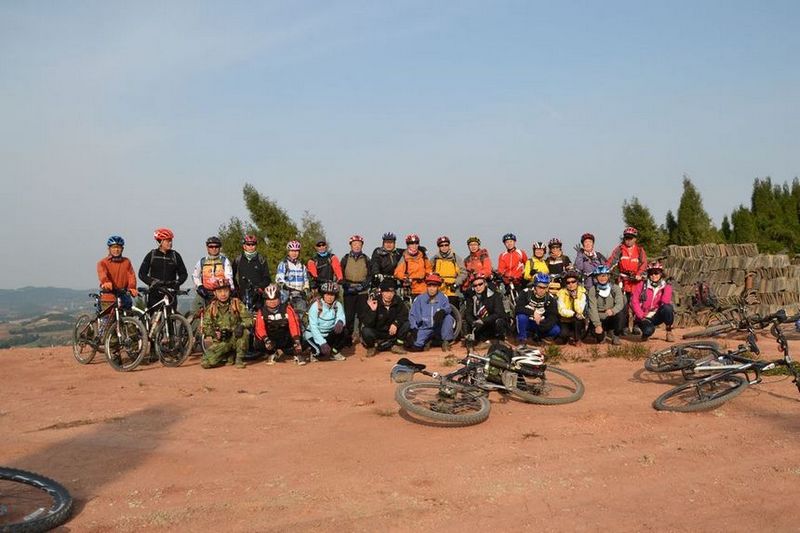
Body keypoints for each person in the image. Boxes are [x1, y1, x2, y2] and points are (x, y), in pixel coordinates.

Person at [200, 279, 253, 369]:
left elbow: (250, 319)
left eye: (225, 291)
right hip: (222, 341)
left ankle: (239, 358)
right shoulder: (212, 307)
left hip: (235, 337)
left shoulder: (236, 303)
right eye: (219, 291)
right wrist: (214, 333)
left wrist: (241, 326)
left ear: (229, 291)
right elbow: (204, 327)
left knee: (245, 332)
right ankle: (228, 355)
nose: (223, 294)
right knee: (205, 363)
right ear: (215, 293)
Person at [607, 226, 647, 333]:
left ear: (635, 239)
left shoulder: (640, 250)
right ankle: (624, 326)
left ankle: (637, 325)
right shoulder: (619, 249)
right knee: (623, 304)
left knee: (637, 303)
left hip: (636, 281)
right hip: (623, 280)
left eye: (631, 238)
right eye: (626, 238)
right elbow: (611, 261)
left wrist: (639, 274)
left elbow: (644, 264)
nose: (628, 240)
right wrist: (604, 270)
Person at [253, 284, 305, 365]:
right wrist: (266, 340)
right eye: (269, 300)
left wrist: (296, 340)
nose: (272, 302)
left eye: (275, 299)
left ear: (279, 299)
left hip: (286, 338)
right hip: (271, 339)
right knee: (258, 342)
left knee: (302, 339)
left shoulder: (287, 308)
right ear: (265, 300)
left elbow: (294, 324)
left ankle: (296, 354)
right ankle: (272, 353)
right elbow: (259, 328)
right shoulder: (262, 311)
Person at [138, 228, 188, 311]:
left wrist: (177, 282)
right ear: (160, 242)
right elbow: (141, 274)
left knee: (171, 317)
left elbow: (183, 274)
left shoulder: (175, 256)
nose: (170, 243)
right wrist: (152, 282)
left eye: (171, 240)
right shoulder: (152, 255)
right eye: (167, 241)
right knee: (155, 317)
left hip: (170, 292)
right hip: (155, 293)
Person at [360, 278, 410, 357]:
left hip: (392, 331)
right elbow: (367, 323)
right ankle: (371, 347)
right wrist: (373, 311)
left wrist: (396, 323)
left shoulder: (398, 300)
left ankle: (398, 345)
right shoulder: (374, 301)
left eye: (391, 292)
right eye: (386, 292)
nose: (389, 295)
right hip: (378, 331)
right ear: (382, 292)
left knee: (407, 324)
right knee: (366, 331)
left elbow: (404, 315)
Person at [407, 273, 455, 352]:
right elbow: (412, 315)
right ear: (427, 286)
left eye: (434, 286)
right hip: (425, 327)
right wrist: (414, 328)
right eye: (429, 286)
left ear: (438, 287)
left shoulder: (443, 297)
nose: (431, 289)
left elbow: (448, 308)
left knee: (448, 317)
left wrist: (442, 311)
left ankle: (446, 341)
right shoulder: (419, 299)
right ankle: (429, 341)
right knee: (416, 346)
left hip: (439, 327)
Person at [304, 281, 348, 361]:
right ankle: (312, 352)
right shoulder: (316, 306)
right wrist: (322, 343)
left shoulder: (337, 305)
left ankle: (334, 352)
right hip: (313, 335)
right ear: (323, 295)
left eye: (332, 295)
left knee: (344, 332)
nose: (329, 297)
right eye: (327, 294)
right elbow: (313, 327)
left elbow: (341, 316)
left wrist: (340, 322)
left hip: (328, 334)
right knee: (320, 353)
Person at [631, 261, 674, 342]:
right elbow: (634, 301)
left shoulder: (665, 286)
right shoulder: (641, 285)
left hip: (656, 315)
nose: (654, 275)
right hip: (644, 316)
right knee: (648, 330)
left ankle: (669, 331)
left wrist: (667, 287)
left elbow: (665, 301)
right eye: (651, 273)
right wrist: (641, 315)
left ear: (661, 274)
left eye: (656, 273)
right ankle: (645, 332)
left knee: (668, 308)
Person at [191, 236, 234, 313]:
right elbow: (195, 276)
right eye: (211, 246)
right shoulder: (202, 261)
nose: (214, 248)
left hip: (220, 292)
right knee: (195, 310)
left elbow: (229, 276)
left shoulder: (224, 261)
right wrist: (200, 286)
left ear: (220, 248)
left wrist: (231, 288)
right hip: (205, 291)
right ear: (207, 248)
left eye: (216, 246)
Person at [340, 235, 371, 343]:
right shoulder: (345, 258)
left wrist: (364, 285)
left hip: (362, 290)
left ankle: (362, 336)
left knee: (362, 315)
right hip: (349, 290)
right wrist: (346, 285)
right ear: (351, 245)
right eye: (354, 244)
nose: (357, 246)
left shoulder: (366, 259)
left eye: (359, 244)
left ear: (362, 245)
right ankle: (348, 338)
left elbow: (370, 275)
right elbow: (340, 274)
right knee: (349, 316)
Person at [515, 273, 560, 345]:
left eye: (545, 287)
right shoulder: (526, 293)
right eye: (540, 287)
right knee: (521, 317)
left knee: (556, 330)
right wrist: (533, 313)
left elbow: (553, 315)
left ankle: (538, 336)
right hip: (527, 321)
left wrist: (545, 325)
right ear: (535, 285)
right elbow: (518, 308)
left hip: (540, 323)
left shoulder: (550, 298)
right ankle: (522, 340)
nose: (542, 290)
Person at [586, 265, 626, 345]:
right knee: (598, 337)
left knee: (621, 315)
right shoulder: (593, 290)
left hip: (612, 315)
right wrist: (597, 325)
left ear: (608, 276)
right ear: (596, 277)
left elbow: (619, 303)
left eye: (604, 275)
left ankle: (615, 335)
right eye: (599, 276)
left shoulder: (615, 288)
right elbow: (592, 309)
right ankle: (603, 333)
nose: (602, 278)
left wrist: (613, 311)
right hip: (599, 317)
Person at [463, 273, 508, 344]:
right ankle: (471, 341)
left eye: (480, 284)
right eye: (475, 285)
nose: (478, 287)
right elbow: (468, 313)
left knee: (499, 321)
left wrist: (483, 321)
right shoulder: (471, 297)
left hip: (491, 323)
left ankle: (499, 340)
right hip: (478, 324)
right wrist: (473, 322)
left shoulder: (495, 295)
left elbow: (499, 313)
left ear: (485, 284)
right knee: (465, 322)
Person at [233, 234, 272, 311]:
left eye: (253, 244)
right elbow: (231, 276)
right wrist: (236, 288)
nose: (251, 246)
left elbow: (267, 278)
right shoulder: (238, 259)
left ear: (256, 245)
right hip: (242, 294)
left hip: (258, 295)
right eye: (248, 244)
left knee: (258, 315)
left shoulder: (261, 259)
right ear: (244, 246)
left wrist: (260, 287)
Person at [97, 235, 138, 309]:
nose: (116, 250)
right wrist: (105, 282)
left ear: (122, 249)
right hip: (109, 293)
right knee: (108, 313)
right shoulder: (103, 262)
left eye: (118, 247)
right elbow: (102, 274)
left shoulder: (126, 262)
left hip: (123, 293)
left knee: (128, 311)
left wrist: (132, 287)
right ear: (109, 249)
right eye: (113, 247)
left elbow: (131, 276)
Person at [275, 240, 310, 316]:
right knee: (286, 316)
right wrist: (284, 285)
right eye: (292, 251)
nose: (294, 253)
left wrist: (306, 288)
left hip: (299, 295)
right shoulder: (284, 264)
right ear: (288, 252)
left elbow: (306, 279)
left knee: (300, 316)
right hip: (286, 295)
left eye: (296, 251)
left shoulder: (302, 266)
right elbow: (279, 278)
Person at [431, 235, 466, 306]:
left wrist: (456, 283)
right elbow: (429, 273)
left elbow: (463, 273)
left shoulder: (456, 258)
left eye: (446, 245)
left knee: (453, 308)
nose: (444, 247)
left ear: (449, 246)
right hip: (439, 290)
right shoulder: (434, 259)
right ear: (439, 247)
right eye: (441, 245)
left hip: (453, 290)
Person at [556, 270, 588, 345]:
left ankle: (577, 339)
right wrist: (573, 314)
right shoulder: (561, 293)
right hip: (565, 320)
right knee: (563, 335)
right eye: (568, 282)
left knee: (578, 319)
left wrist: (575, 298)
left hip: (577, 320)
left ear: (577, 282)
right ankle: (568, 336)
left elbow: (580, 310)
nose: (571, 284)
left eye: (573, 282)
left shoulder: (582, 292)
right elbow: (561, 310)